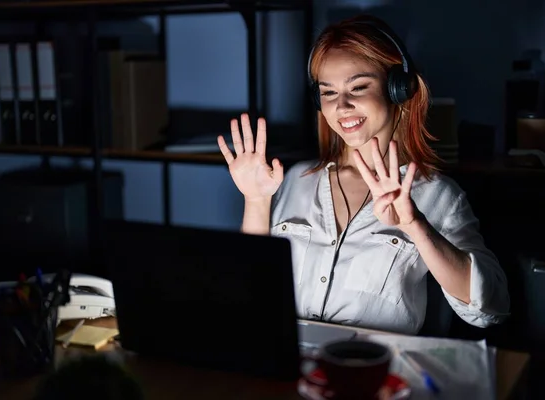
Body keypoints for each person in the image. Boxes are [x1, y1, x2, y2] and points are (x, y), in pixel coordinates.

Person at [217, 14, 510, 335]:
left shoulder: (437, 194)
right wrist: (256, 201)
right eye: (328, 93)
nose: (342, 106)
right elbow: (252, 286)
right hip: (289, 360)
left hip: (375, 367)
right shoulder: (295, 180)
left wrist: (415, 225)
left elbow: (491, 308)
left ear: (398, 89)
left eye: (358, 87)